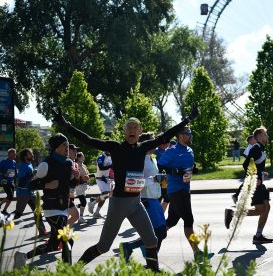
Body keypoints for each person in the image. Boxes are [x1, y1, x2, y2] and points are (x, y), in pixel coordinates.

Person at [53, 106, 198, 272]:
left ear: (140, 131)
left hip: (136, 204)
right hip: (118, 205)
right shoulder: (115, 147)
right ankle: (73, 270)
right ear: (124, 131)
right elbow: (88, 139)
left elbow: (166, 135)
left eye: (135, 127)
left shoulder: (143, 147)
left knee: (152, 241)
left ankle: (154, 272)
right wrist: (66, 125)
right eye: (129, 127)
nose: (132, 129)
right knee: (103, 246)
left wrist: (187, 120)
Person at [14, 133, 80, 268]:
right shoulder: (46, 164)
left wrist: (76, 178)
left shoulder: (68, 163)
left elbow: (70, 186)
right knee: (67, 240)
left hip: (63, 207)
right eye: (64, 145)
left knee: (53, 245)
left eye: (67, 144)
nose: (67, 147)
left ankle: (23, 257)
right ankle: (67, 271)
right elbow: (30, 184)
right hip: (51, 207)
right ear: (56, 147)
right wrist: (46, 185)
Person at [158, 126, 214, 260]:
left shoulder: (190, 150)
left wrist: (193, 170)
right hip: (175, 190)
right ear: (180, 136)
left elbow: (187, 167)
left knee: (171, 221)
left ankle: (145, 244)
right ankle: (197, 253)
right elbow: (160, 166)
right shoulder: (172, 151)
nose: (190, 135)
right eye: (187, 133)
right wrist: (174, 172)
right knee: (188, 220)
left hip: (185, 190)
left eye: (190, 133)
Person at [120, 133, 168, 262]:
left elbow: (152, 177)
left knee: (161, 232)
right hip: (145, 199)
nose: (155, 143)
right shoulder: (139, 159)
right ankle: (150, 263)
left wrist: (161, 178)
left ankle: (133, 250)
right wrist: (154, 179)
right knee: (157, 233)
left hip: (155, 199)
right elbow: (131, 181)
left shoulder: (152, 158)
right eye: (152, 141)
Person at [225, 127, 273, 244]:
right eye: (265, 134)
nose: (267, 136)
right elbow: (246, 164)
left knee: (266, 208)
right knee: (261, 209)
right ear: (260, 136)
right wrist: (255, 177)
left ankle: (258, 235)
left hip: (259, 182)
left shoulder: (260, 148)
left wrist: (261, 172)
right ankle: (232, 213)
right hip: (254, 183)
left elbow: (255, 164)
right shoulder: (256, 148)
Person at [13, 148, 48, 235]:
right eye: (30, 154)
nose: (32, 155)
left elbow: (31, 179)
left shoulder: (30, 164)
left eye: (32, 153)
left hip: (31, 193)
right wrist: (33, 174)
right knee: (17, 214)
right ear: (25, 156)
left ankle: (42, 231)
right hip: (23, 193)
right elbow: (22, 182)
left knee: (37, 211)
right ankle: (2, 221)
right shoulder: (23, 166)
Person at [88, 151, 113, 218]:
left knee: (105, 196)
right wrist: (110, 166)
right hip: (100, 179)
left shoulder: (111, 157)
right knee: (106, 193)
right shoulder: (101, 157)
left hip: (106, 179)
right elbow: (101, 167)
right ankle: (93, 202)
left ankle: (96, 212)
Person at [0, 148, 17, 215]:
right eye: (14, 153)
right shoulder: (3, 162)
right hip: (4, 180)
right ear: (9, 154)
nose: (15, 155)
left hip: (11, 181)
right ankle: (0, 204)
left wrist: (15, 173)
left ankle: (4, 210)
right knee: (9, 195)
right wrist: (3, 175)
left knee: (11, 197)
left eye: (15, 153)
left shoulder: (14, 162)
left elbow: (14, 171)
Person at [75, 152, 90, 223]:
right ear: (78, 157)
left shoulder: (83, 165)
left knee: (82, 202)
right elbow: (76, 175)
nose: (84, 157)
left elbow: (87, 173)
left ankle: (72, 206)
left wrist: (87, 177)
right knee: (84, 201)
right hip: (78, 185)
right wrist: (82, 177)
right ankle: (80, 218)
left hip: (83, 186)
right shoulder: (76, 165)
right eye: (82, 156)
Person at [67, 144, 80, 226]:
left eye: (76, 150)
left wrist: (81, 178)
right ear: (68, 151)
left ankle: (60, 233)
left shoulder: (74, 163)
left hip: (71, 193)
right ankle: (61, 233)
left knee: (65, 216)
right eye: (74, 150)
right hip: (65, 193)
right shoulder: (66, 162)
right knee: (76, 215)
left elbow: (76, 178)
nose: (76, 152)